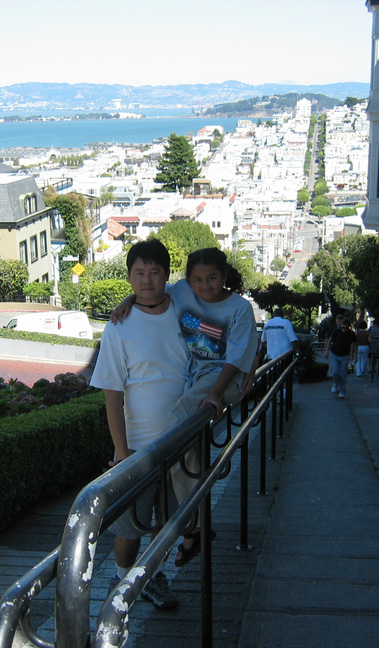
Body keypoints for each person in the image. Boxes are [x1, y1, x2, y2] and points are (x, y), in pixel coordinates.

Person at [112, 247, 258, 569]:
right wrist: (128, 302)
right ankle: (197, 525)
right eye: (197, 279)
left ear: (225, 276)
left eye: (212, 279)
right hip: (198, 379)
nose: (204, 286)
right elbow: (149, 288)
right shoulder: (181, 291)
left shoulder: (239, 308)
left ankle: (193, 525)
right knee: (188, 451)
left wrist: (216, 394)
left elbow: (235, 356)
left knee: (176, 431)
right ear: (187, 279)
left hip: (221, 379)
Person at [89, 239, 189, 610]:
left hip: (182, 441)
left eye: (154, 272)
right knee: (130, 526)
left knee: (167, 520)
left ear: (167, 276)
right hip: (138, 450)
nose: (147, 280)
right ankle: (121, 576)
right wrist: (122, 452)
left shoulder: (183, 310)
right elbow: (112, 394)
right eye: (139, 273)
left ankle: (151, 575)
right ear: (129, 277)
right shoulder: (118, 328)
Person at [323, 316, 357, 398]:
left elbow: (354, 344)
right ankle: (335, 384)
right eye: (342, 328)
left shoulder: (351, 334)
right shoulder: (336, 331)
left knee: (343, 374)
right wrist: (327, 350)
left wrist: (354, 355)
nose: (343, 330)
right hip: (335, 354)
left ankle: (342, 390)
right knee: (335, 372)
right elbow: (330, 340)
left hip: (345, 355)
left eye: (345, 328)